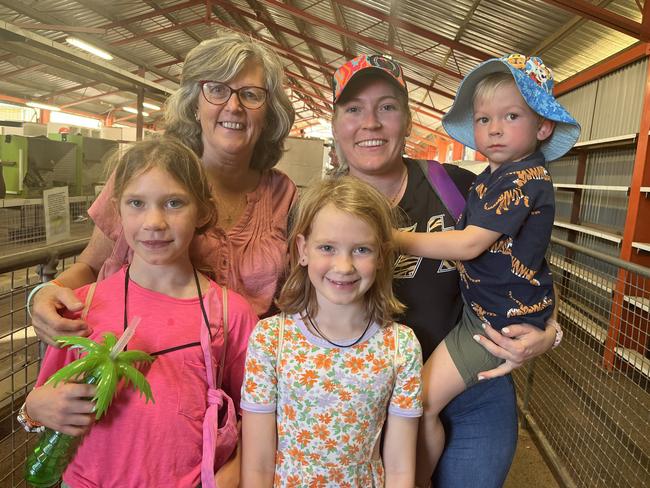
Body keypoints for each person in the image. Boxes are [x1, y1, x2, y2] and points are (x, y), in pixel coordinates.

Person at [330, 53, 564, 487]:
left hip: (471, 382)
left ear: (407, 118)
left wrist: (549, 334)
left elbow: (530, 262)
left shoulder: (458, 184)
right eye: (354, 109)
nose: (371, 123)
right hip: (362, 393)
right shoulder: (320, 208)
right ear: (335, 123)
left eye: (387, 107)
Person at [30, 30, 296, 346]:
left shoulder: (283, 195)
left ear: (268, 113)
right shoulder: (145, 176)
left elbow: (294, 294)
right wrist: (43, 293)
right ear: (195, 105)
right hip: (137, 362)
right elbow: (90, 264)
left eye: (251, 94)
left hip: (244, 376)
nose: (233, 106)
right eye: (217, 90)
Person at [22, 138, 258, 487]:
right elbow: (47, 399)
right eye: (137, 203)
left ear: (204, 212)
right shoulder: (82, 306)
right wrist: (33, 410)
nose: (154, 221)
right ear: (117, 212)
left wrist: (236, 470)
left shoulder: (230, 313)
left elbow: (253, 412)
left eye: (174, 203)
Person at [392, 54, 580, 485]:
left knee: (419, 403)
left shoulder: (521, 180)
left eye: (511, 116)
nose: (494, 128)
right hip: (487, 311)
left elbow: (470, 244)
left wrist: (393, 238)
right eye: (483, 119)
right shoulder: (491, 177)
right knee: (418, 403)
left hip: (494, 321)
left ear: (543, 126)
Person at [240, 177, 423, 487]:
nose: (344, 266)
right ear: (302, 249)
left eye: (362, 249)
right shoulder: (271, 340)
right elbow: (257, 465)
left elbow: (400, 468)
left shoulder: (401, 347)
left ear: (381, 255)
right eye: (327, 247)